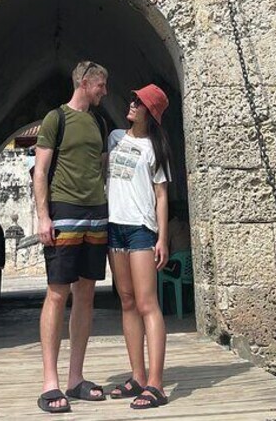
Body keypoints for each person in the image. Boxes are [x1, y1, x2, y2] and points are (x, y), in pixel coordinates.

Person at [33, 61, 109, 414]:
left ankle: (75, 378)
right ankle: (50, 382)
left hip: (96, 215)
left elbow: (104, 168)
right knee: (57, 293)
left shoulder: (99, 121)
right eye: (100, 85)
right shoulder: (55, 119)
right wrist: (43, 216)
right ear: (84, 82)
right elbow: (41, 171)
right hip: (64, 213)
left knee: (86, 294)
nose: (104, 92)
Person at [106, 84, 172, 409]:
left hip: (141, 230)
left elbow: (161, 196)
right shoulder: (115, 138)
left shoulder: (154, 149)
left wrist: (162, 237)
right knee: (128, 301)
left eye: (138, 102)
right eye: (132, 99)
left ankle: (156, 384)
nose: (131, 104)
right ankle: (137, 376)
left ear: (150, 111)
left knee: (148, 304)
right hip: (115, 228)